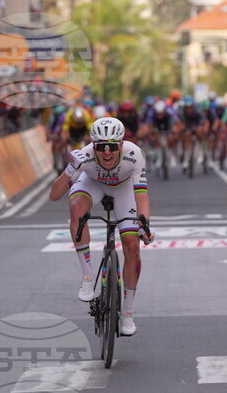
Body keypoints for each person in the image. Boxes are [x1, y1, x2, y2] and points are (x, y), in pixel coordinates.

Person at [48, 117, 154, 337]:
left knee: (132, 246)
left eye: (113, 146)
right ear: (93, 146)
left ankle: (127, 312)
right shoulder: (84, 156)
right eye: (101, 147)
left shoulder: (134, 155)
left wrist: (144, 224)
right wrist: (70, 170)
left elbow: (141, 197)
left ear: (122, 145)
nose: (107, 153)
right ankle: (88, 276)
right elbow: (54, 195)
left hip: (123, 189)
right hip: (92, 184)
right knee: (76, 205)